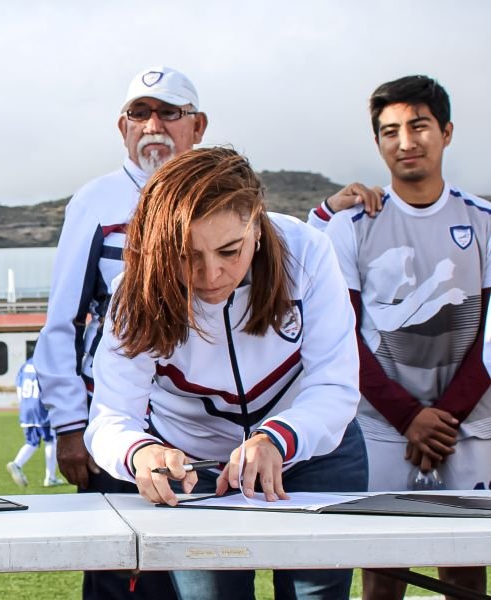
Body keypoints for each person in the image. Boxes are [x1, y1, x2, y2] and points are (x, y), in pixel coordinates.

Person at [86, 147, 368, 600]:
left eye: (229, 250)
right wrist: (141, 454)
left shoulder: (308, 252)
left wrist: (277, 438)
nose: (210, 273)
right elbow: (109, 417)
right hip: (196, 468)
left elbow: (334, 387)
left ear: (257, 225)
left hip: (314, 453)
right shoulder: (134, 291)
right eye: (185, 255)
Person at [33, 65, 207, 600]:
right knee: (120, 576)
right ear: (122, 126)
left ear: (197, 127)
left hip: (204, 425)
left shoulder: (216, 195)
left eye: (168, 112)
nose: (152, 124)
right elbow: (62, 321)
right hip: (119, 425)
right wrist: (68, 425)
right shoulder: (95, 201)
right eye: (139, 112)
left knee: (204, 570)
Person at [321, 75, 491, 600]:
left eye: (418, 126)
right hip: (382, 428)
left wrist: (443, 419)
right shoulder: (350, 225)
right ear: (378, 143)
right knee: (384, 567)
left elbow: (490, 337)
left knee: (464, 566)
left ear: (446, 131)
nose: (405, 141)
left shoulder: (482, 221)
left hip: (468, 425)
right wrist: (407, 417)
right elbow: (341, 335)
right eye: (390, 131)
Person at [6, 358, 64, 487]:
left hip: (26, 408)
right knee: (51, 440)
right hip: (42, 409)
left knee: (32, 442)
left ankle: (17, 464)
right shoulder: (46, 363)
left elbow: (19, 388)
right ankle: (50, 477)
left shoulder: (25, 365)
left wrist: (24, 405)